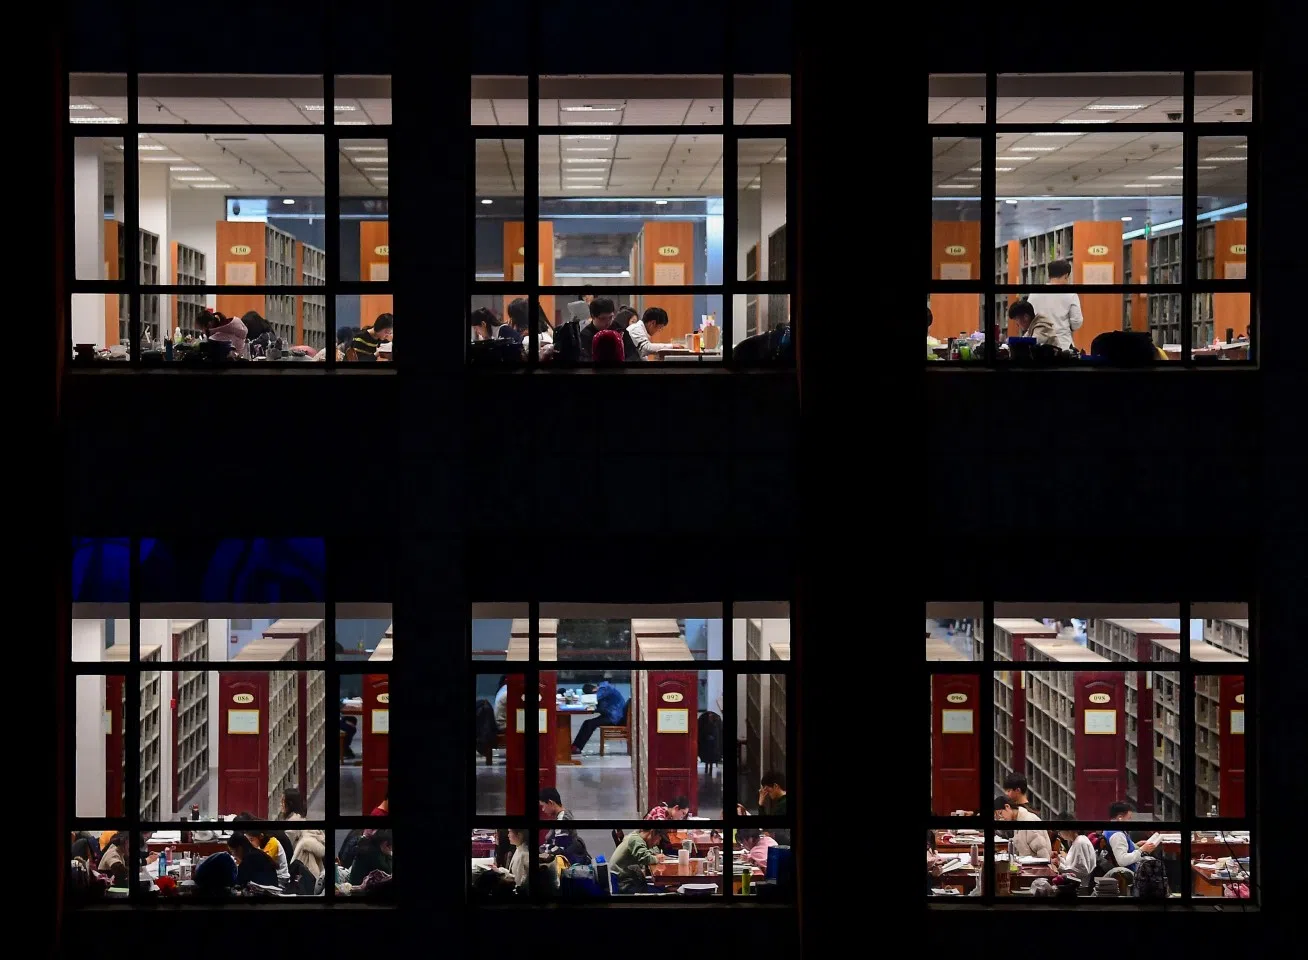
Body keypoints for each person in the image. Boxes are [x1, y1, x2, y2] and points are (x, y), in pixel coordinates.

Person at [1026, 259, 1083, 352]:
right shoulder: (1070, 294)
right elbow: (1077, 322)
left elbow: (1028, 318)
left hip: (1037, 345)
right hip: (1063, 345)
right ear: (1066, 276)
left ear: (1049, 274)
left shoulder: (1034, 293)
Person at [281, 787, 326, 892]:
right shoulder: (299, 817)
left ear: (289, 804)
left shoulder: (293, 822)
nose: (281, 805)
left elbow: (286, 846)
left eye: (283, 801)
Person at [572, 678, 626, 755]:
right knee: (587, 723)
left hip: (614, 718)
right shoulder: (604, 688)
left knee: (589, 724)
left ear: (594, 690)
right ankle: (575, 746)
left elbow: (593, 700)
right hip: (611, 715)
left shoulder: (604, 689)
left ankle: (576, 748)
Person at [539, 787, 591, 864]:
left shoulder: (562, 819)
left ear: (550, 803)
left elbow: (560, 849)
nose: (543, 809)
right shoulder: (566, 813)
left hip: (567, 861)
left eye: (543, 806)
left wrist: (543, 852)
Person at [235, 813, 291, 883]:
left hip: (280, 879)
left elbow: (263, 865)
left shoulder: (272, 843)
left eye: (251, 840)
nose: (250, 842)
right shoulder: (261, 844)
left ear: (261, 836)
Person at [1104, 800, 1158, 871]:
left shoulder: (1111, 829)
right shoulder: (1117, 835)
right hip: (1131, 874)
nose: (1130, 821)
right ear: (1120, 818)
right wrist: (1142, 851)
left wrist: (1137, 845)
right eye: (1129, 818)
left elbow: (1119, 848)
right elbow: (1122, 860)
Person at [579, 297, 638, 361]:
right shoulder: (585, 336)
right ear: (593, 316)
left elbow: (633, 355)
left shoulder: (619, 329)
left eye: (610, 317)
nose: (608, 322)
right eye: (603, 318)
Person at [610, 827, 666, 893]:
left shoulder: (638, 837)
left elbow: (654, 849)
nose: (658, 843)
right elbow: (645, 859)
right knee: (662, 891)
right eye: (659, 838)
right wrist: (657, 859)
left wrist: (653, 853)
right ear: (652, 832)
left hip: (630, 880)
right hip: (626, 885)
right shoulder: (636, 840)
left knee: (662, 888)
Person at [1053, 822, 1097, 887]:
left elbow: (1082, 870)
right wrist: (1059, 859)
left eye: (1060, 831)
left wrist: (1060, 866)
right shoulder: (1077, 841)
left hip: (1080, 886)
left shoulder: (1080, 842)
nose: (1059, 834)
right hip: (1074, 882)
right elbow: (1071, 864)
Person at [506, 827, 531, 892]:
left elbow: (524, 882)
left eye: (510, 832)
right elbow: (513, 874)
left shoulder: (526, 854)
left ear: (520, 835)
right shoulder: (518, 848)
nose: (508, 835)